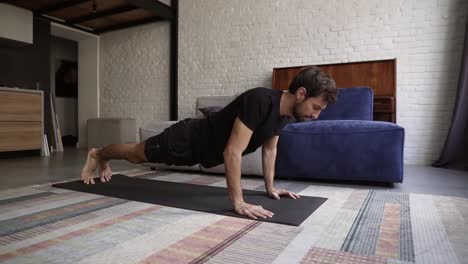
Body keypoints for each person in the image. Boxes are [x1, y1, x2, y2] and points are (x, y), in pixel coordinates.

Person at [80, 66, 337, 220]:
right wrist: (238, 202)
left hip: (199, 152)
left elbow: (270, 149)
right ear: (301, 93)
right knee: (137, 154)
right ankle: (98, 153)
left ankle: (102, 155)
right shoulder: (260, 100)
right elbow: (232, 152)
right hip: (187, 139)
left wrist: (271, 188)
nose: (315, 115)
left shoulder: (284, 115)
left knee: (137, 154)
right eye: (316, 107)